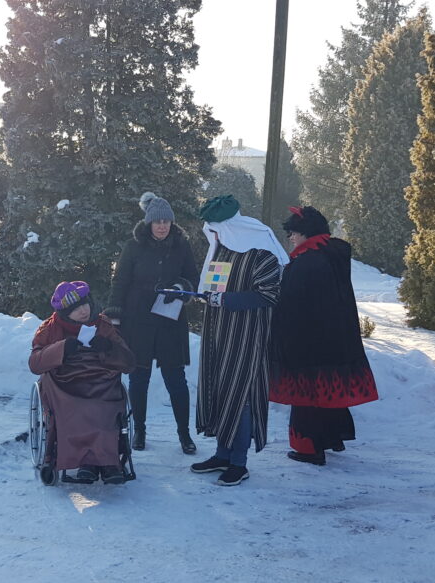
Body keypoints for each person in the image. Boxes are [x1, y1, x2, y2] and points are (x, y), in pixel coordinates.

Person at [270, 206, 379, 465]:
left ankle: (308, 449)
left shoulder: (307, 262)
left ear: (306, 232)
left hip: (308, 341)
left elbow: (292, 305)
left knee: (306, 395)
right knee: (327, 391)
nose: (290, 238)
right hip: (333, 339)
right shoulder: (330, 255)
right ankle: (331, 438)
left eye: (293, 232)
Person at [189, 195, 286, 486]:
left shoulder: (262, 253)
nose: (214, 237)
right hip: (218, 335)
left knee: (239, 396)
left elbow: (269, 295)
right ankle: (222, 454)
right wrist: (206, 294)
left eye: (217, 230)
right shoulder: (223, 250)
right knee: (220, 393)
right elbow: (215, 285)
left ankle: (239, 462)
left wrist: (225, 300)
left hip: (246, 338)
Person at [105, 192, 200, 454]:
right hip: (138, 319)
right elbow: (120, 281)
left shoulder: (181, 246)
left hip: (170, 319)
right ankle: (140, 430)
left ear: (171, 223)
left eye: (166, 221)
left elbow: (193, 277)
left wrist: (180, 288)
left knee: (176, 379)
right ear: (149, 222)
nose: (162, 226)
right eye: (157, 221)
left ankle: (184, 434)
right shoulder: (133, 246)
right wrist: (115, 314)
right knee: (139, 378)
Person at [30, 281, 137, 484]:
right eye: (75, 308)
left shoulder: (104, 325)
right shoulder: (49, 328)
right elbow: (35, 363)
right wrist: (61, 349)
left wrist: (108, 347)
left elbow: (129, 362)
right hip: (65, 385)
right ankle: (91, 461)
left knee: (102, 408)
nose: (83, 311)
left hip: (102, 382)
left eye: (84, 304)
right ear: (65, 313)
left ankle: (105, 462)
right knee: (78, 408)